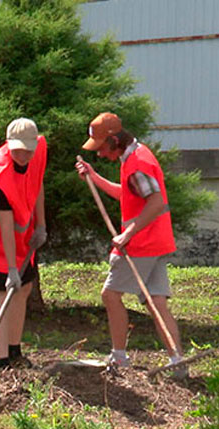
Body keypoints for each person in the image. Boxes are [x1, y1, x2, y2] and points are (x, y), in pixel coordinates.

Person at [75, 112, 186, 377]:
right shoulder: (136, 156)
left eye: (102, 148)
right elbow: (128, 193)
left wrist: (128, 235)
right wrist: (94, 176)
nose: (100, 154)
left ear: (114, 140)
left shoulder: (137, 164)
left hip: (142, 243)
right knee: (157, 303)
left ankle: (120, 357)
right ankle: (177, 361)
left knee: (110, 295)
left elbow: (156, 202)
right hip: (156, 241)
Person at [0, 118, 47, 370]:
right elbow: (5, 225)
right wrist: (10, 269)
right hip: (0, 243)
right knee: (2, 293)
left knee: (24, 290)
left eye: (27, 149)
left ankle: (15, 351)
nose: (23, 155)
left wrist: (41, 224)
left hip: (25, 237)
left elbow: (38, 183)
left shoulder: (36, 153)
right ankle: (2, 361)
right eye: (17, 149)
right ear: (8, 145)